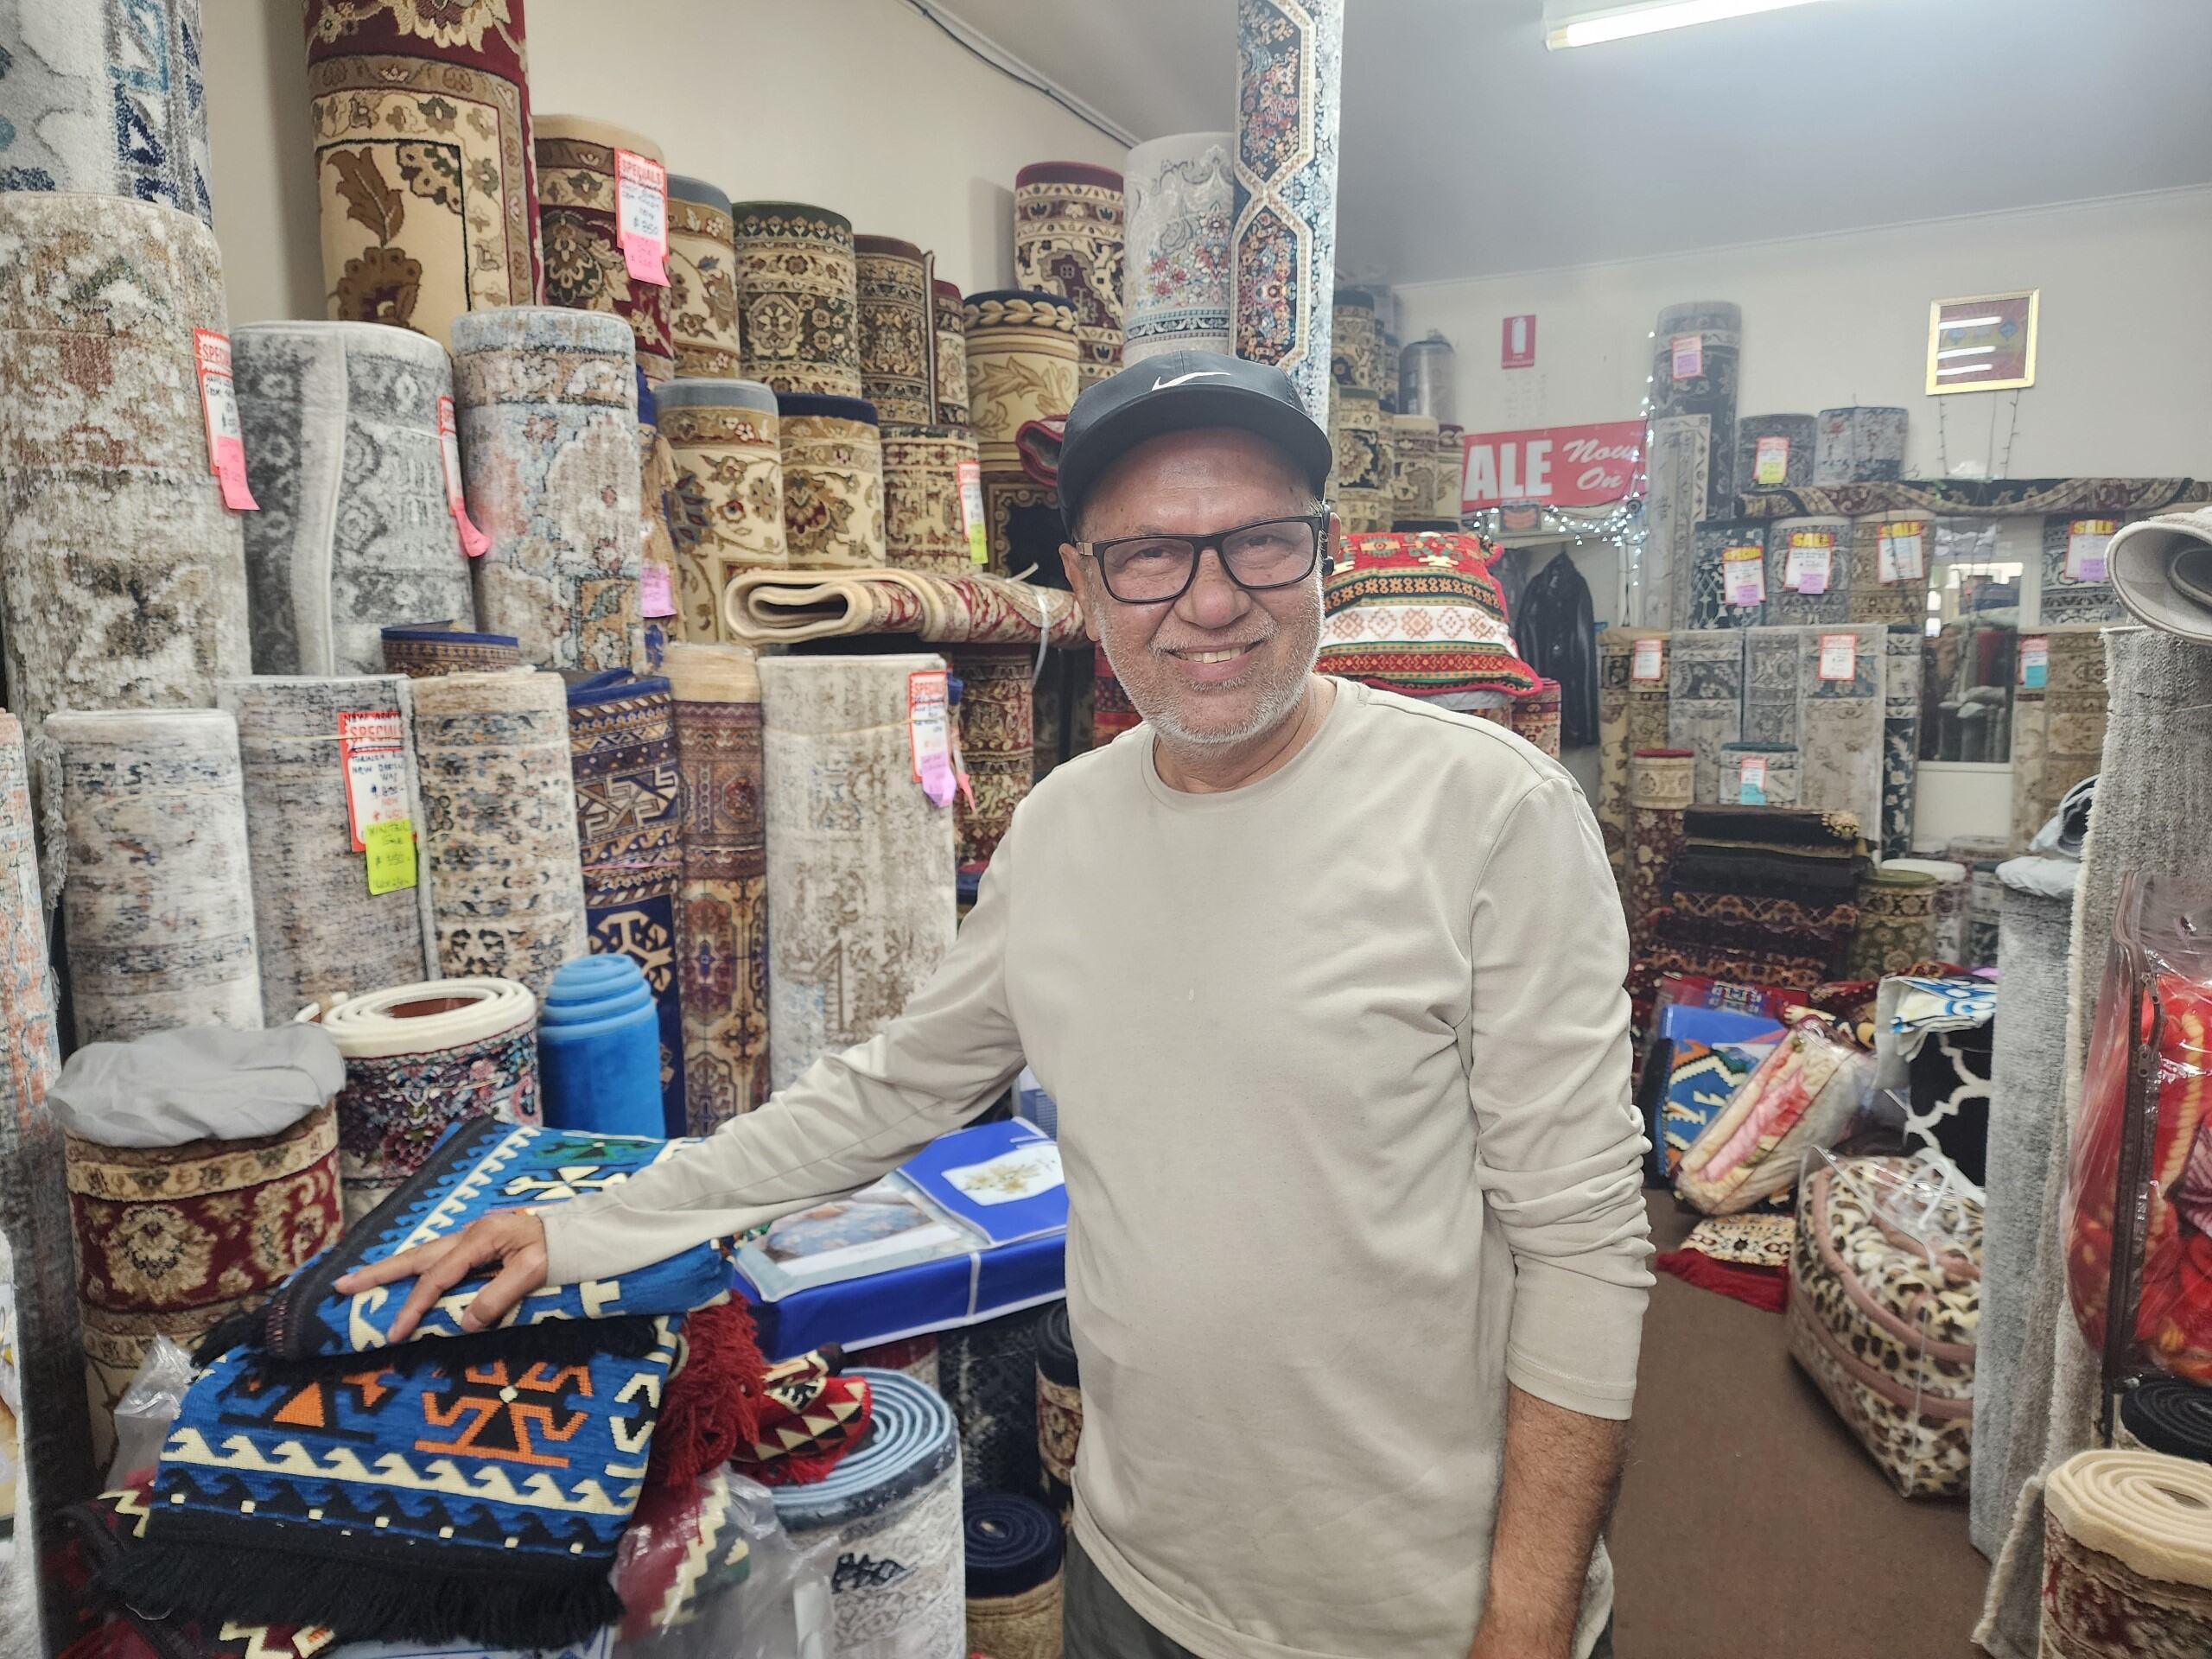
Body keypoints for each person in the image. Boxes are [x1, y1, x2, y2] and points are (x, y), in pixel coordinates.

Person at [341, 352, 1653, 1659]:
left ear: (1325, 557)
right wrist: (582, 1231)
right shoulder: (1068, 826)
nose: (1210, 602)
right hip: (1138, 1573)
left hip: (1412, 1618)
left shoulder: (1492, 817)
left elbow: (1585, 1247)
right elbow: (898, 1085)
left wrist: (1526, 1622)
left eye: (1260, 543)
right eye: (1148, 555)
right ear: (1083, 583)